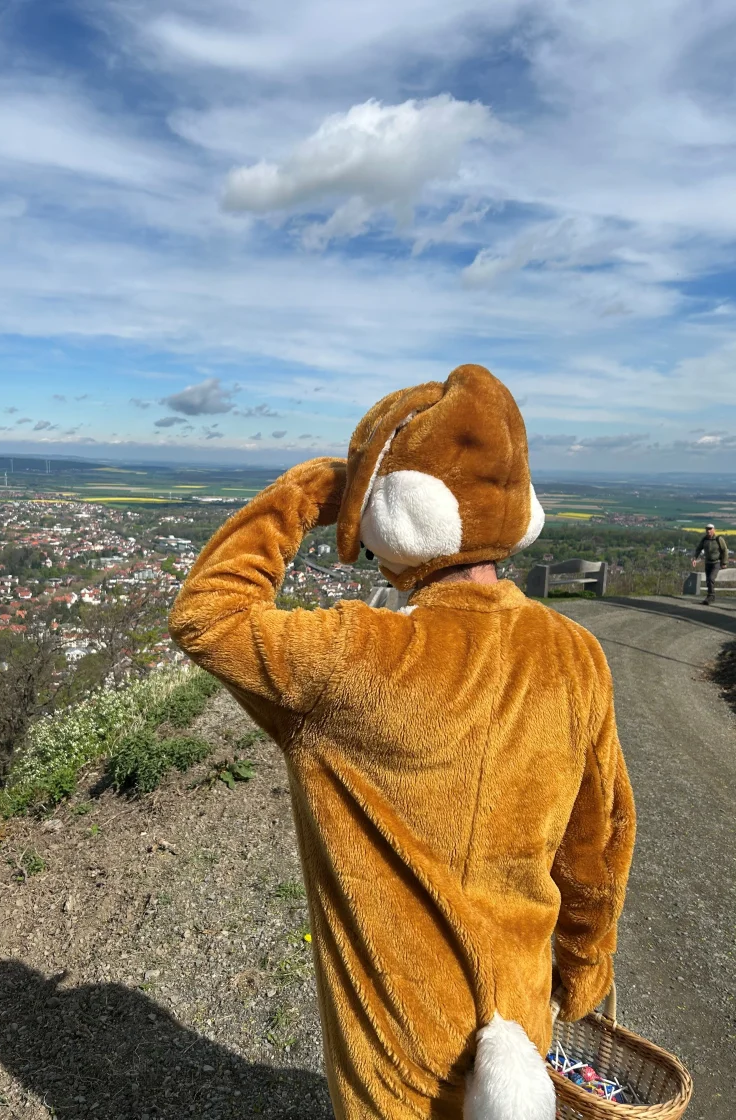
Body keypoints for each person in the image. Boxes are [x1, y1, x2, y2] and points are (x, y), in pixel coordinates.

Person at [169, 365, 636, 1120]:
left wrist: (308, 495)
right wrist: (583, 968)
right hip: (522, 1000)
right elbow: (600, 837)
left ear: (398, 517)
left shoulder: (354, 654)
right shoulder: (576, 653)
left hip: (396, 1026)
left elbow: (206, 614)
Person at [691, 523, 728, 605]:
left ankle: (711, 596)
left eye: (710, 529)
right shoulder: (704, 539)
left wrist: (724, 562)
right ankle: (710, 596)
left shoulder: (719, 539)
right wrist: (694, 559)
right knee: (708, 580)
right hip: (708, 562)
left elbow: (725, 550)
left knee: (711, 578)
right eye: (707, 529)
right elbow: (698, 549)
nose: (708, 531)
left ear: (714, 529)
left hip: (716, 562)